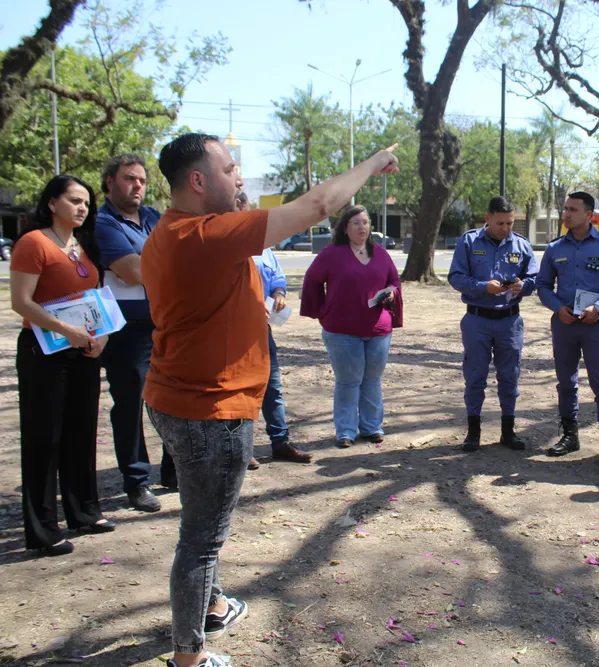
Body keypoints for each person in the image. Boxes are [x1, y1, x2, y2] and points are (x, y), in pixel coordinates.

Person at [141, 133, 398, 667]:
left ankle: (210, 604)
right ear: (198, 180)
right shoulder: (205, 235)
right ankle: (188, 658)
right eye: (231, 169)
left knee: (201, 522)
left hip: (179, 398)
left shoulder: (168, 231)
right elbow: (317, 206)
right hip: (211, 410)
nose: (240, 179)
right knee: (201, 539)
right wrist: (372, 164)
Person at [10, 175, 116, 557]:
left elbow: (96, 298)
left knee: (81, 433)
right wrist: (65, 330)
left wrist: (99, 337)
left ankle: (85, 511)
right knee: (45, 439)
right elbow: (21, 302)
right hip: (44, 352)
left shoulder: (83, 246)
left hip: (84, 351)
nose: (82, 207)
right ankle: (42, 528)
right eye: (74, 200)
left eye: (86, 202)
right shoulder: (33, 242)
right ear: (52, 202)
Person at [94, 153, 174, 513]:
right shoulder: (103, 223)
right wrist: (168, 265)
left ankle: (172, 470)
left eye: (141, 179)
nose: (137, 185)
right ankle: (136, 481)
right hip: (126, 331)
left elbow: (181, 254)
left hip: (164, 323)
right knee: (130, 405)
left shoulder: (154, 218)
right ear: (110, 182)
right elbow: (132, 271)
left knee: (173, 399)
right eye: (129, 178)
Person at [537, 191, 599, 472]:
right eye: (565, 209)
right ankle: (570, 435)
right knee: (566, 382)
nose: (566, 214)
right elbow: (542, 285)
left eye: (572, 210)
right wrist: (557, 308)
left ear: (588, 215)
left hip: (593, 325)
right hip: (564, 324)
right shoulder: (555, 249)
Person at [301, 205, 402, 448]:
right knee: (348, 381)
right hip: (342, 331)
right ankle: (345, 431)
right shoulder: (331, 254)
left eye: (365, 222)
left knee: (372, 380)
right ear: (345, 228)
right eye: (356, 222)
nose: (362, 227)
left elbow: (394, 280)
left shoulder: (380, 253)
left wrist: (391, 292)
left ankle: (371, 427)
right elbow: (312, 280)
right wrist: (323, 310)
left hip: (378, 330)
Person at [447, 195, 538, 452]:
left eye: (510, 223)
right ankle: (473, 432)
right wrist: (483, 287)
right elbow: (456, 277)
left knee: (509, 376)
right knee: (475, 376)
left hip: (509, 321)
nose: (506, 229)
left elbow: (534, 277)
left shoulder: (520, 245)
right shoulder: (469, 241)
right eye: (501, 223)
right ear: (488, 219)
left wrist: (524, 285)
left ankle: (508, 432)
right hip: (477, 320)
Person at [241, 192, 313, 469]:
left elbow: (276, 276)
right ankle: (243, 448)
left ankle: (280, 443)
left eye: (245, 208)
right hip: (234, 332)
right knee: (244, 389)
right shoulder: (223, 245)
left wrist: (279, 293)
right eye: (237, 208)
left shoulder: (264, 246)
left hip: (263, 330)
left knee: (272, 387)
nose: (243, 214)